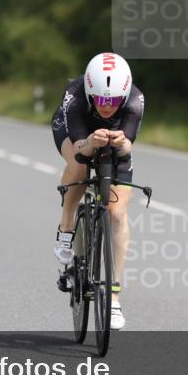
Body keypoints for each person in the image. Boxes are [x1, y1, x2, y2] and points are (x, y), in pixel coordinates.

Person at [51, 52, 144, 330]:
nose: (107, 106)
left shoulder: (135, 100)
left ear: (124, 95)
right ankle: (67, 224)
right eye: (101, 100)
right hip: (76, 132)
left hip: (116, 137)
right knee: (79, 167)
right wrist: (90, 142)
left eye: (114, 100)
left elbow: (128, 147)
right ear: (91, 92)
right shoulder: (75, 94)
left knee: (116, 213)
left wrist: (121, 142)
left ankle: (113, 299)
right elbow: (80, 147)